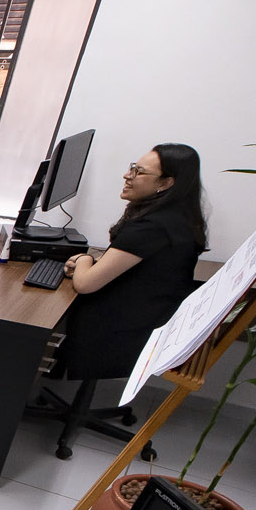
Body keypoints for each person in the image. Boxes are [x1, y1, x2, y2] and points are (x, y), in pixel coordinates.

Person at [56, 144, 208, 380]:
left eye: (139, 172)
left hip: (126, 331)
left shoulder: (152, 227)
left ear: (166, 183)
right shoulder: (178, 216)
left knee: (42, 313)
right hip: (152, 318)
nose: (128, 176)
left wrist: (84, 259)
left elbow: (85, 284)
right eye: (132, 168)